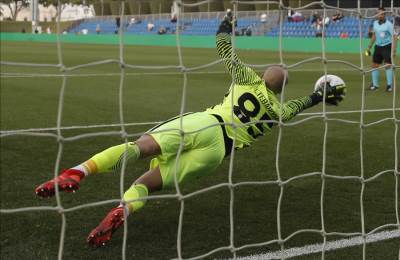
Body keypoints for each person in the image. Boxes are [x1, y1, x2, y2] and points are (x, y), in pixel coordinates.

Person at [34, 12, 346, 247]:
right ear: (280, 90)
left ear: (265, 77)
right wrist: (319, 96)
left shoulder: (249, 79)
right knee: (148, 183)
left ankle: (77, 172)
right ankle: (122, 210)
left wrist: (226, 23)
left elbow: (224, 49)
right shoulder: (277, 110)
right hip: (217, 154)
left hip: (207, 123)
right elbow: (298, 107)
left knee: (140, 148)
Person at [366, 7, 397, 92]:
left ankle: (389, 86)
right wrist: (369, 46)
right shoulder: (375, 23)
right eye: (378, 13)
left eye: (381, 13)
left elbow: (394, 37)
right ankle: (375, 85)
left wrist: (394, 50)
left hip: (387, 46)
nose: (379, 15)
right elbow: (374, 35)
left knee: (388, 65)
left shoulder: (389, 24)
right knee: (374, 65)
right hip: (378, 47)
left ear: (384, 14)